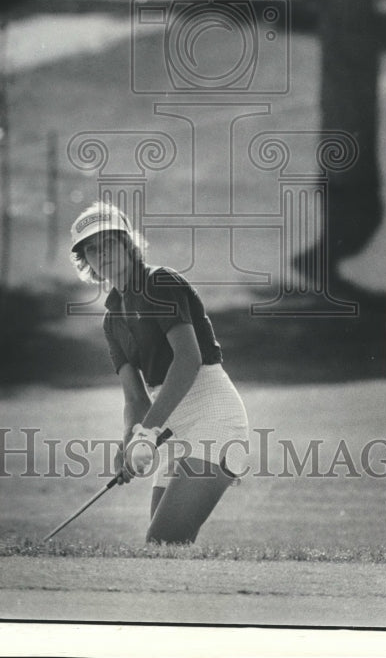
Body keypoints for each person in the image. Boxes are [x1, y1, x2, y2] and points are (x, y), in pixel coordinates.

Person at [69, 200, 249, 544]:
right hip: (167, 430)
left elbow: (188, 359)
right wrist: (127, 444)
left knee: (162, 542)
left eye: (109, 242)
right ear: (86, 262)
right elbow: (135, 397)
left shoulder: (159, 282)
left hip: (214, 418)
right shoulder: (112, 319)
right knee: (166, 555)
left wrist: (147, 432)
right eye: (92, 249)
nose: (102, 254)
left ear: (127, 243)